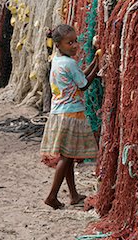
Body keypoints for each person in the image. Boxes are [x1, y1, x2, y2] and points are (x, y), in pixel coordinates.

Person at [40, 24, 99, 209]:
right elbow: (83, 85)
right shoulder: (70, 63)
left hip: (58, 113)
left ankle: (73, 195)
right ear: (58, 44)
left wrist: (95, 63)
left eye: (75, 41)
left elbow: (80, 77)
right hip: (71, 115)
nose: (74, 46)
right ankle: (51, 196)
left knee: (69, 156)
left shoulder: (57, 60)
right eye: (69, 43)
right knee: (66, 158)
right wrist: (98, 67)